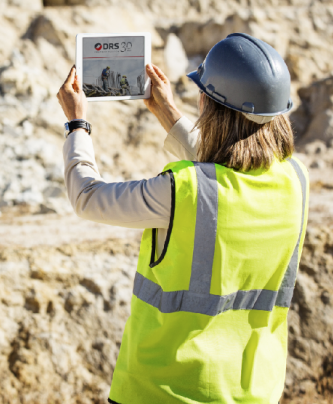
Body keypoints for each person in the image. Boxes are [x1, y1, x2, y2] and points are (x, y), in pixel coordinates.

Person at [56, 33, 308, 404]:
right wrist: (166, 111)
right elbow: (229, 164)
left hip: (163, 390)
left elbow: (88, 198)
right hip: (251, 391)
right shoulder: (296, 181)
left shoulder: (183, 191)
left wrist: (77, 125)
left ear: (208, 102)